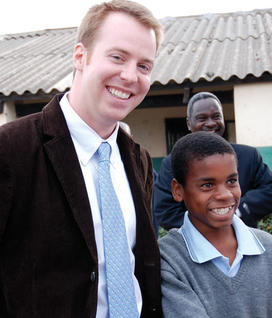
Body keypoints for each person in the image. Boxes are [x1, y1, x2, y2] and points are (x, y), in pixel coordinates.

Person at [0, 1, 163, 317]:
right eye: (117, 57)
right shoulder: (11, 149)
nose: (130, 76)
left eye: (144, 66)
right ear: (80, 56)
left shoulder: (139, 160)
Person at [159, 132, 272, 317]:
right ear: (178, 190)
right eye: (207, 185)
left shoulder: (267, 247)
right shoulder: (169, 259)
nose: (225, 194)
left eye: (232, 181)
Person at [154, 92, 272, 229]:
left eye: (216, 116)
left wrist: (238, 211)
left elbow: (269, 189)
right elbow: (165, 212)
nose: (210, 123)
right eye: (202, 118)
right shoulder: (173, 163)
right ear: (188, 123)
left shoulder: (248, 155)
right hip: (195, 247)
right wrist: (208, 226)